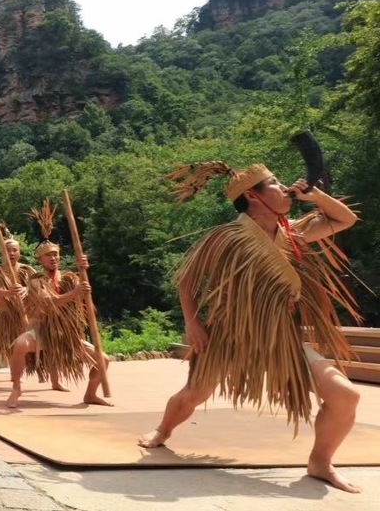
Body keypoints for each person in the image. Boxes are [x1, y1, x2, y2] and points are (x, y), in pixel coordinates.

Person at [138, 162, 362, 493]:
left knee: (345, 396)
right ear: (251, 195)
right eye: (275, 183)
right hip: (231, 334)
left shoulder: (294, 233)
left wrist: (316, 196)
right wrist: (192, 323)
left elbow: (346, 219)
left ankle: (320, 462)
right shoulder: (226, 236)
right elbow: (186, 279)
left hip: (282, 336)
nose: (285, 187)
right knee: (194, 394)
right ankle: (163, 430)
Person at [5, 201, 111, 409]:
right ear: (40, 259)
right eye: (48, 255)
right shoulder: (35, 280)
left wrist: (83, 273)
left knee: (104, 359)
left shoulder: (70, 278)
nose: (53, 258)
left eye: (56, 255)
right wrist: (75, 292)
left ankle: (90, 394)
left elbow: (80, 304)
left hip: (66, 334)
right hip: (40, 330)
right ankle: (16, 387)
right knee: (20, 345)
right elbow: (49, 301)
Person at [0, 238, 36, 389]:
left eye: (14, 250)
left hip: (22, 314)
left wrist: (27, 289)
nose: (11, 253)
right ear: (2, 252)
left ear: (19, 252)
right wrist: (8, 292)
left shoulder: (27, 270)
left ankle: (16, 376)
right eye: (7, 250)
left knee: (20, 346)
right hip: (2, 313)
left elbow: (38, 286)